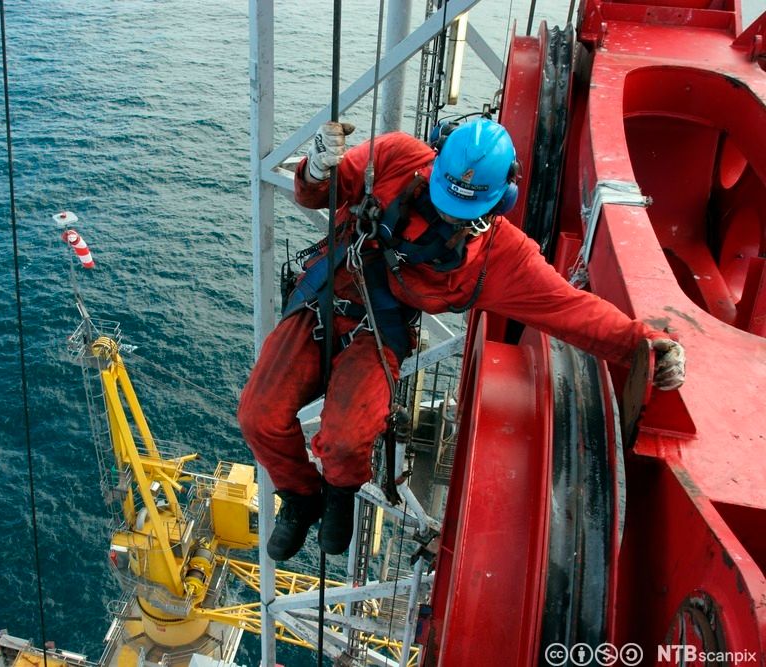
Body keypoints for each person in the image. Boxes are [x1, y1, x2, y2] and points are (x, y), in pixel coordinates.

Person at [238, 118, 686, 561]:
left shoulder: (502, 257)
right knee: (259, 416)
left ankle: (339, 494)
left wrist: (642, 345)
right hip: (324, 297)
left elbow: (568, 308)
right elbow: (319, 193)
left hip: (378, 331)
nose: (451, 213)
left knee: (346, 438)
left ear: (501, 200)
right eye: (446, 196)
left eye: (465, 209)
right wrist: (317, 169)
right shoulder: (396, 158)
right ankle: (300, 497)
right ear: (435, 163)